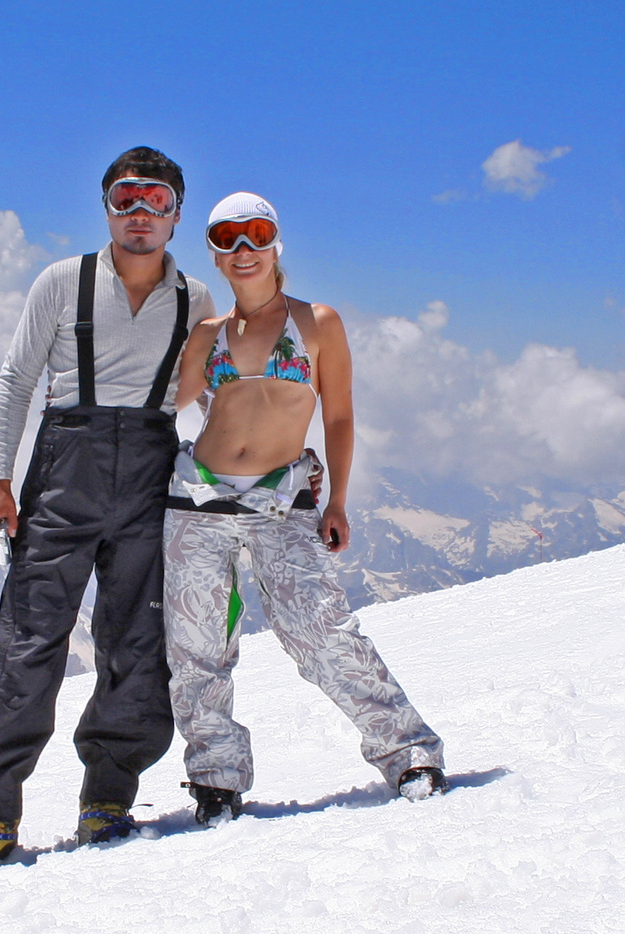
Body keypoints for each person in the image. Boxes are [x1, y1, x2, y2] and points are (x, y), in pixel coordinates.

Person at [0, 147, 212, 869]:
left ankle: (107, 800)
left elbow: (214, 398)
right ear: (106, 208)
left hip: (149, 473)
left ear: (177, 214)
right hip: (66, 470)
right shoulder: (63, 281)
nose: (139, 214)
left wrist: (260, 459)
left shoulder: (195, 299)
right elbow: (16, 380)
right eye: (125, 198)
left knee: (135, 640)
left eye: (155, 200)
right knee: (30, 637)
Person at [162, 191, 444, 824]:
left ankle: (408, 751)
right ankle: (215, 779)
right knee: (196, 647)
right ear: (212, 251)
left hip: (282, 502)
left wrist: (338, 499)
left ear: (276, 243)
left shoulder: (316, 324)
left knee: (322, 633)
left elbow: (339, 416)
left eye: (255, 234)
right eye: (226, 238)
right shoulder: (207, 334)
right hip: (197, 502)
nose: (242, 250)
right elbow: (163, 404)